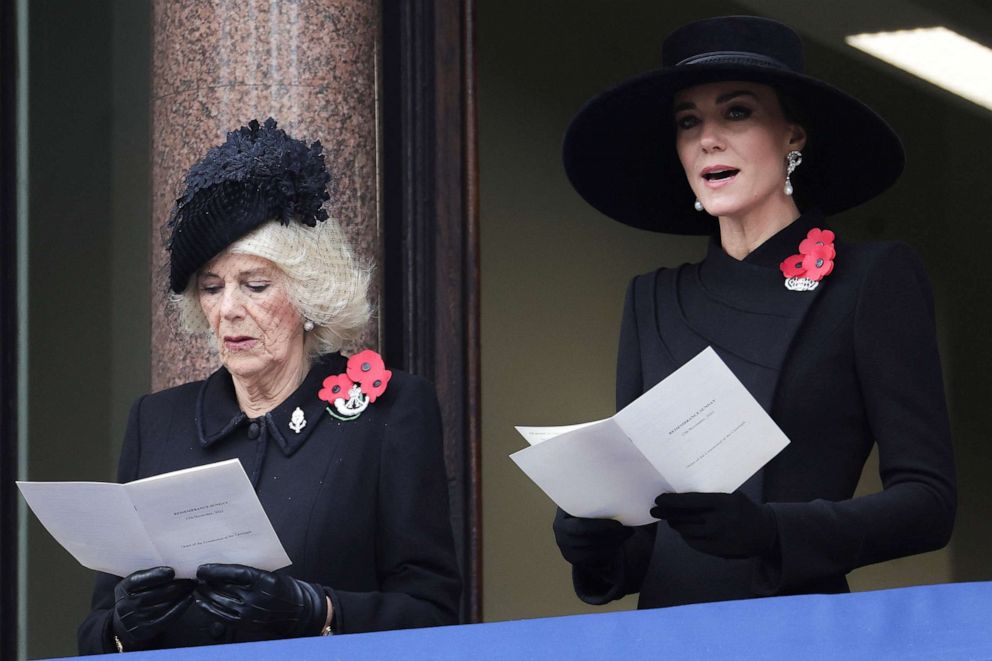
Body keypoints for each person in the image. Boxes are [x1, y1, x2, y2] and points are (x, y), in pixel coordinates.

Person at [553, 16, 955, 608]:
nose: (708, 139)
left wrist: (773, 532)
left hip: (793, 626)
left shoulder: (869, 279)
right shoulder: (653, 300)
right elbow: (659, 534)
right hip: (666, 634)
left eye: (736, 112)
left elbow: (929, 503)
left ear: (793, 135)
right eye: (688, 122)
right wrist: (595, 537)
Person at [78, 118, 461, 653]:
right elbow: (95, 627)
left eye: (255, 285)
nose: (229, 309)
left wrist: (320, 611)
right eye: (211, 289)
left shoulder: (389, 412)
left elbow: (436, 616)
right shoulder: (156, 422)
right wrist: (122, 626)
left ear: (309, 297)